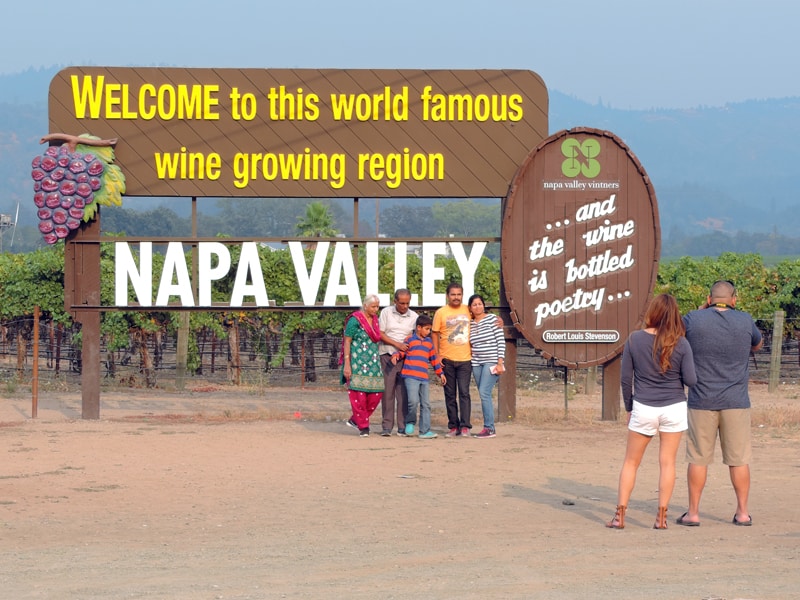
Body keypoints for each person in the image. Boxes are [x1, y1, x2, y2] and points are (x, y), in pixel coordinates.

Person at [675, 280, 763, 527]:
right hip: (736, 401)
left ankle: (693, 513)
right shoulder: (745, 320)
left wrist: (701, 312)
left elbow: (675, 334)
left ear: (708, 298)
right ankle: (743, 513)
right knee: (739, 458)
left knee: (698, 458)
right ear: (734, 299)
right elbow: (757, 344)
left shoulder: (693, 319)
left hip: (701, 400)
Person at [606, 294, 697, 529]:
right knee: (667, 463)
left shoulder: (635, 339)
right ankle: (662, 518)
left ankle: (620, 516)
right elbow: (691, 379)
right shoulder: (682, 342)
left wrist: (629, 407)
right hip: (674, 407)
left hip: (644, 406)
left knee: (631, 462)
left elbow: (626, 379)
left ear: (652, 312)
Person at [392, 314, 446, 439]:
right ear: (418, 328)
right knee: (413, 401)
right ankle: (410, 422)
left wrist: (440, 373)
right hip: (410, 376)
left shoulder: (429, 343)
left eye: (430, 329)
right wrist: (396, 355)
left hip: (424, 378)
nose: (429, 332)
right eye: (427, 329)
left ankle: (424, 431)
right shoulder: (410, 340)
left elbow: (434, 360)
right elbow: (402, 351)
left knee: (426, 404)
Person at [432, 282, 474, 437]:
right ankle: (453, 426)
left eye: (459, 294)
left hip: (465, 359)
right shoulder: (441, 313)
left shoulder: (468, 310)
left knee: (464, 392)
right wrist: (437, 354)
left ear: (462, 295)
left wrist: (499, 322)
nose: (456, 297)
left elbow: (482, 318)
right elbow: (435, 333)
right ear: (447, 295)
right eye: (453, 294)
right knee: (449, 394)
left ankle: (465, 426)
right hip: (447, 359)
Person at [341, 294, 384, 437]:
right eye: (373, 306)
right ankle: (363, 427)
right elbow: (347, 341)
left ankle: (355, 420)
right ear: (365, 305)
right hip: (357, 361)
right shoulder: (355, 320)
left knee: (376, 394)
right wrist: (347, 364)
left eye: (377, 306)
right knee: (358, 395)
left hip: (373, 363)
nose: (376, 309)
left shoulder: (375, 320)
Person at [378, 289, 418, 436]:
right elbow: (380, 334)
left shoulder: (414, 316)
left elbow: (413, 336)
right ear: (395, 301)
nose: (405, 306)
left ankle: (402, 426)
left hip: (405, 358)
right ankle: (387, 427)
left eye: (407, 303)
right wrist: (397, 344)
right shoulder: (386, 313)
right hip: (387, 355)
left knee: (403, 393)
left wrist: (403, 347)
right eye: (401, 303)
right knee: (387, 392)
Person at [467, 294, 505, 438]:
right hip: (476, 363)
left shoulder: (493, 320)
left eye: (480, 303)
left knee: (484, 392)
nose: (478, 306)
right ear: (470, 308)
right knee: (484, 394)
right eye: (474, 304)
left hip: (492, 362)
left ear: (484, 305)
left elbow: (500, 341)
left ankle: (489, 428)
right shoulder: (469, 324)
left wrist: (500, 362)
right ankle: (488, 427)